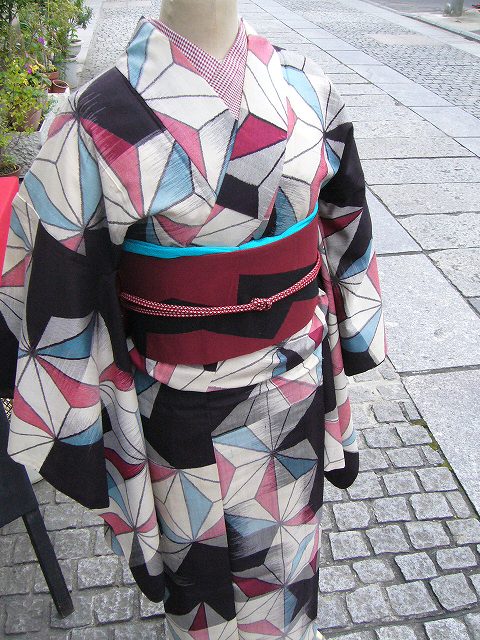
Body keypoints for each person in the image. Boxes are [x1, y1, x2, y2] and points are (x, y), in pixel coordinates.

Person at [0, 0, 386, 637]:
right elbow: (55, 287)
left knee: (290, 564)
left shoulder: (306, 86)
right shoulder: (94, 122)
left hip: (296, 382)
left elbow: (344, 219)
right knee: (205, 590)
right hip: (177, 406)